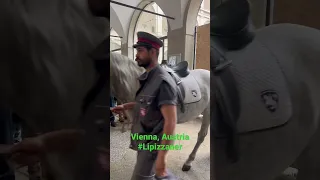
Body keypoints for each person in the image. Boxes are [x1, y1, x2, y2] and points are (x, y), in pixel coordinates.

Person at [111, 31, 178, 180]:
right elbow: (147, 103)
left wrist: (162, 156)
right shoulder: (148, 77)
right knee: (155, 175)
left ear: (153, 52)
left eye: (140, 51)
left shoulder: (163, 81)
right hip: (143, 137)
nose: (136, 56)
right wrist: (125, 106)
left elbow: (171, 122)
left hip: (152, 145)